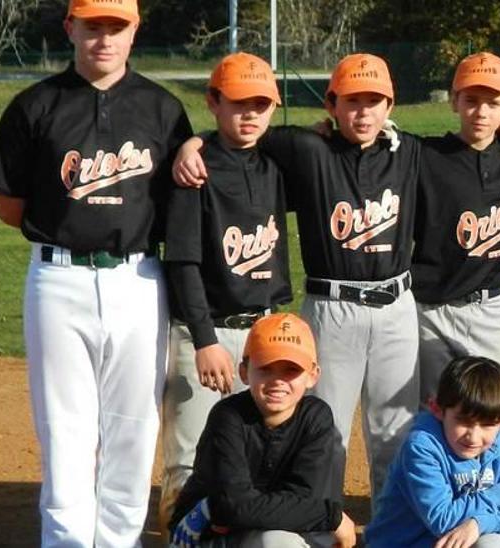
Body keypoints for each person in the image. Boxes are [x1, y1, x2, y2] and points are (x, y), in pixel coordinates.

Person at [0, 0, 192, 543]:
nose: (104, 38)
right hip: (59, 279)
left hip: (138, 279)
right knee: (65, 428)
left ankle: (119, 540)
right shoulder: (35, 105)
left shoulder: (163, 109)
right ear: (71, 27)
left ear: (135, 30)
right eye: (93, 26)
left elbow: (177, 204)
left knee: (134, 428)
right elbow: (10, 206)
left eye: (116, 26)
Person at [175, 53, 425, 505]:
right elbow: (240, 132)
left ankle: (391, 532)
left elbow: (468, 148)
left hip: (397, 308)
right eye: (351, 101)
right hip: (332, 307)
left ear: (391, 105)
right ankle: (317, 526)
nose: (363, 112)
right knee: (321, 430)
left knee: (395, 431)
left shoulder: (409, 151)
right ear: (331, 104)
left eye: (374, 100)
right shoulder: (307, 149)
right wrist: (192, 143)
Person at [158, 51, 293, 532]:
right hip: (207, 331)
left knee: (257, 458)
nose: (251, 113)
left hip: (266, 330)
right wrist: (204, 340)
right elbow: (183, 262)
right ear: (214, 101)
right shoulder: (193, 172)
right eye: (238, 103)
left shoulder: (275, 162)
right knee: (190, 460)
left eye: (261, 103)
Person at [169, 313, 356, 548]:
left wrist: (237, 507)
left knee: (281, 538)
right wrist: (332, 516)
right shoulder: (228, 416)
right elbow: (235, 507)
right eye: (266, 368)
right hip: (209, 538)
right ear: (245, 372)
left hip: (263, 530)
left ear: (312, 375)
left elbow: (309, 499)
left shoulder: (316, 417)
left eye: (290, 370)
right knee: (280, 541)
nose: (277, 380)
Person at [414, 52, 500, 403]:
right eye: (471, 100)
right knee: (433, 408)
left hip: (488, 307)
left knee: (493, 407)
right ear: (453, 101)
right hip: (430, 308)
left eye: (493, 103)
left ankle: (490, 463)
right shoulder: (424, 156)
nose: (481, 112)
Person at [365, 356, 500, 548]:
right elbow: (443, 520)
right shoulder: (421, 447)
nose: (473, 436)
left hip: (454, 542)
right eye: (463, 421)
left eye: (488, 425)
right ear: (437, 410)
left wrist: (480, 523)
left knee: (494, 541)